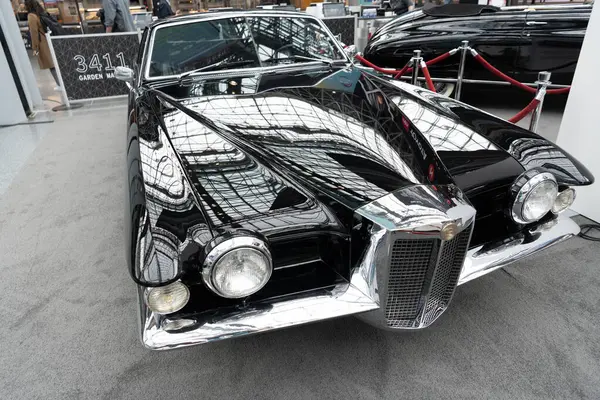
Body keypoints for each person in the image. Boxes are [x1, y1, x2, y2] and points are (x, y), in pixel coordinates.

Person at [24, 0, 59, 86]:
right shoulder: (41, 12)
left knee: (51, 65)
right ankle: (63, 83)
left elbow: (34, 33)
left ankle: (60, 85)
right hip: (51, 40)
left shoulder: (31, 16)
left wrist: (35, 48)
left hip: (43, 43)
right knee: (56, 64)